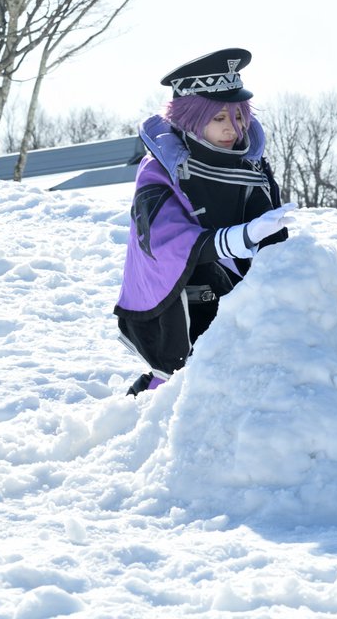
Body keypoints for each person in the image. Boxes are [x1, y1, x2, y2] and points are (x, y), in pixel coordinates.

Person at [114, 48, 294, 396]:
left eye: (238, 116)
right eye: (218, 117)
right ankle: (135, 412)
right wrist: (240, 238)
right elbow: (167, 243)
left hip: (238, 294)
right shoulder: (161, 168)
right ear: (190, 118)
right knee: (178, 387)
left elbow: (269, 234)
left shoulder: (251, 164)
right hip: (179, 305)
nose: (232, 127)